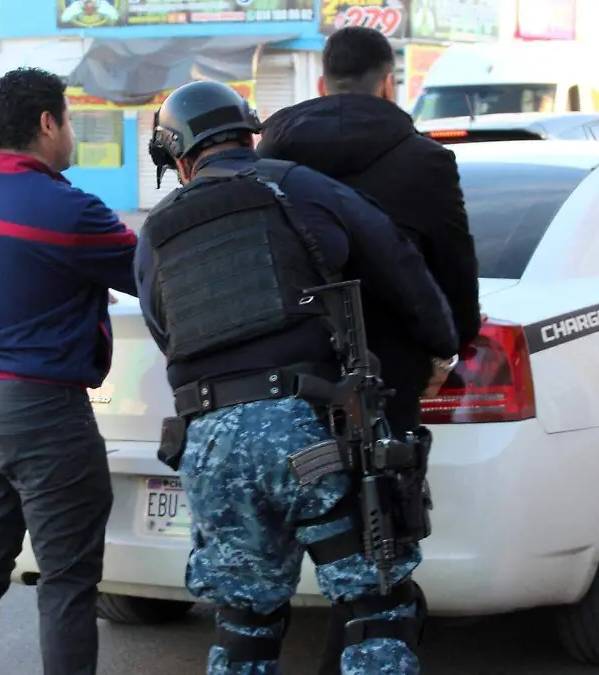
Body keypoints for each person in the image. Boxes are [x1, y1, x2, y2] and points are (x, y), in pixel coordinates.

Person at [133, 80, 460, 675]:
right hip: (309, 436)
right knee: (375, 608)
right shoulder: (298, 185)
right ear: (248, 134)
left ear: (180, 157)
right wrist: (442, 347)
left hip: (209, 445)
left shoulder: (156, 231)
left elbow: (165, 333)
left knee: (244, 624)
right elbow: (399, 267)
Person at [0, 67, 138, 675]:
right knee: (68, 580)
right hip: (45, 413)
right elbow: (153, 274)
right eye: (69, 120)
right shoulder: (68, 210)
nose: (71, 133)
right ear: (49, 123)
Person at [258, 25, 482, 438]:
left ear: (322, 85)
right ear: (387, 84)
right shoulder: (425, 161)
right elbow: (454, 264)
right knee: (389, 471)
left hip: (287, 370)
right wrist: (450, 347)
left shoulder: (270, 157)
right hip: (390, 371)